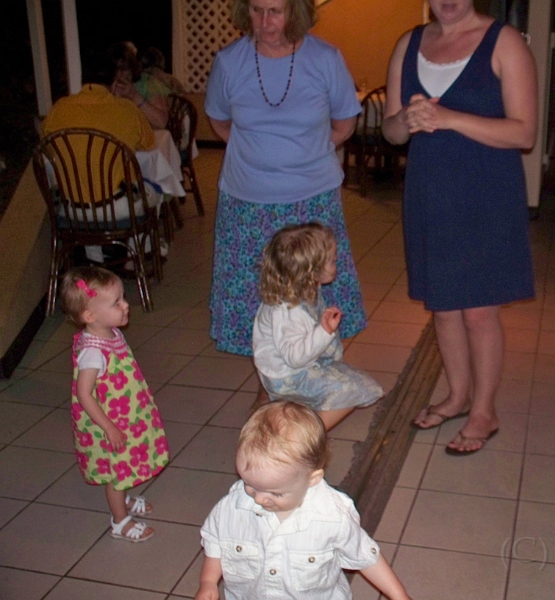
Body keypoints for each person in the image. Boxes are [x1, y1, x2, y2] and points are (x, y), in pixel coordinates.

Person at [383, 0, 538, 454]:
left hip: (487, 194)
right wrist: (405, 120)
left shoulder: (505, 42)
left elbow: (524, 133)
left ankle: (484, 411)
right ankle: (457, 396)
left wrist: (449, 118)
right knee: (444, 307)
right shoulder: (408, 43)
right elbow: (392, 132)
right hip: (430, 192)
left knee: (479, 311)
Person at [204, 0, 366, 406]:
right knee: (259, 303)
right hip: (247, 202)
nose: (265, 21)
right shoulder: (230, 62)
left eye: (275, 10)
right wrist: (259, 155)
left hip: (312, 201)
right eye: (256, 10)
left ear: (295, 11)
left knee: (312, 299)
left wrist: (304, 155)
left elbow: (345, 123)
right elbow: (219, 121)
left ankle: (306, 380)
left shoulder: (325, 59)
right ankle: (272, 387)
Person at [195, 401, 412, 600]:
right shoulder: (231, 507)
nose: (259, 498)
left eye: (275, 493)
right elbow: (216, 542)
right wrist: (208, 582)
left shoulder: (333, 517)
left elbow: (366, 557)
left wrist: (399, 595)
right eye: (249, 485)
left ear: (312, 479)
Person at [61, 266, 170, 542]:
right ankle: (120, 521)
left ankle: (123, 498)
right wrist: (109, 428)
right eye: (116, 302)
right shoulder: (92, 352)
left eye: (123, 298)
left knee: (123, 465)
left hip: (124, 415)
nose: (125, 305)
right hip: (108, 423)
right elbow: (84, 395)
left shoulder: (110, 333)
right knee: (116, 472)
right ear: (90, 316)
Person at [253, 223, 383, 429]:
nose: (337, 260)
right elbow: (295, 357)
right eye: (332, 260)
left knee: (355, 382)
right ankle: (308, 437)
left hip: (296, 369)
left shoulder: (301, 285)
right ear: (310, 271)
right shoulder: (288, 310)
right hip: (289, 376)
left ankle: (296, 418)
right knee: (350, 392)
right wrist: (324, 332)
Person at [41, 44, 160, 263]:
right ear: (114, 81)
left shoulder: (58, 109)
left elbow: (47, 150)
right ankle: (141, 252)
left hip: (69, 209)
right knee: (156, 189)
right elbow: (149, 146)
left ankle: (95, 257)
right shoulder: (127, 110)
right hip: (117, 207)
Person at [108, 42, 170, 130]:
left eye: (123, 69)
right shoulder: (106, 85)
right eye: (115, 69)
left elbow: (161, 122)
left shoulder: (147, 83)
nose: (119, 74)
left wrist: (133, 95)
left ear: (132, 68)